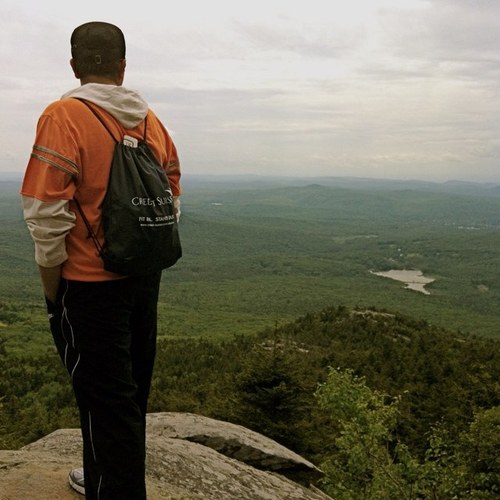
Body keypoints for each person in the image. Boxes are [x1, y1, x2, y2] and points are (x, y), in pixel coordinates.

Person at [21, 21, 181, 499]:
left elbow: (46, 215)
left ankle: (115, 489)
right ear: (122, 65)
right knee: (128, 395)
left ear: (74, 65)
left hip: (89, 285)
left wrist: (53, 289)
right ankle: (105, 478)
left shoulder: (63, 116)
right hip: (143, 276)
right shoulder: (151, 121)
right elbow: (171, 197)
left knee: (104, 401)